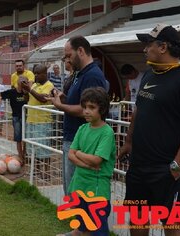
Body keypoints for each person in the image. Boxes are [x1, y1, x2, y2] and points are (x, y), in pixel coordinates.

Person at [118, 23, 180, 236]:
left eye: (148, 44)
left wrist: (177, 164)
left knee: (172, 224)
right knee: (137, 217)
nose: (145, 49)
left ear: (163, 47)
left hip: (167, 169)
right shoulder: (148, 74)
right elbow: (138, 110)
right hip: (139, 165)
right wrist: (128, 142)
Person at [48, 35, 106, 194]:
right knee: (71, 187)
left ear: (80, 51)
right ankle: (74, 216)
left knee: (77, 190)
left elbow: (87, 111)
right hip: (73, 138)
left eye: (68, 55)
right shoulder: (80, 73)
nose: (67, 60)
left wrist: (61, 106)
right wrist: (62, 98)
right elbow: (79, 103)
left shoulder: (92, 75)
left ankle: (80, 218)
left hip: (82, 142)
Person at [58, 87, 116, 236]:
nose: (86, 111)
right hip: (79, 184)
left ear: (102, 109)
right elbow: (71, 154)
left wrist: (78, 153)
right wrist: (84, 161)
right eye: (84, 107)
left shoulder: (107, 132)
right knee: (82, 221)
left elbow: (96, 160)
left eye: (92, 107)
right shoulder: (82, 128)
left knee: (97, 227)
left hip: (96, 189)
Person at [22, 64, 54, 179]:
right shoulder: (35, 85)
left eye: (38, 74)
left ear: (45, 74)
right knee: (32, 148)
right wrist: (26, 92)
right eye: (34, 73)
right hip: (31, 120)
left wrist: (29, 89)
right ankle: (36, 170)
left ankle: (46, 173)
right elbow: (28, 99)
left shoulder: (49, 85)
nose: (35, 76)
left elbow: (43, 98)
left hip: (43, 121)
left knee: (44, 148)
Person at [0, 77, 28, 165]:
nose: (22, 84)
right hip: (16, 117)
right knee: (18, 138)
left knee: (26, 138)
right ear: (17, 82)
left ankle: (24, 155)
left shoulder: (28, 92)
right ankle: (20, 156)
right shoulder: (12, 92)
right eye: (21, 82)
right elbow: (0, 94)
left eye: (24, 82)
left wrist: (26, 91)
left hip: (27, 117)